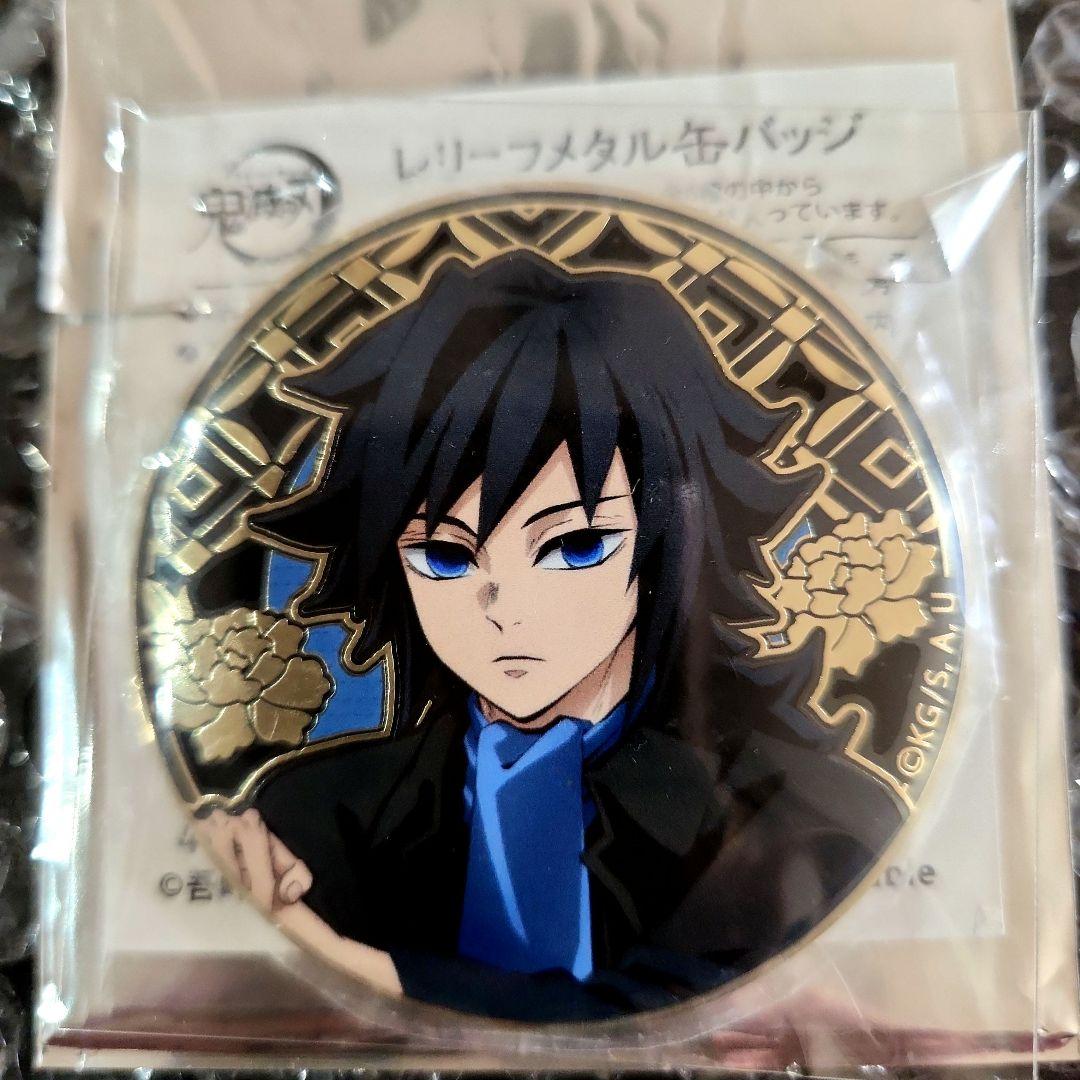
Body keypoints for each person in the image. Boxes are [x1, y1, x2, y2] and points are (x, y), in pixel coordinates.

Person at [199, 252, 902, 1022]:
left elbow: (658, 1017)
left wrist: (335, 957)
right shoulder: (317, 812)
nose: (506, 610)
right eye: (447, 557)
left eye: (574, 546)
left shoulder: (791, 808)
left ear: (669, 540)